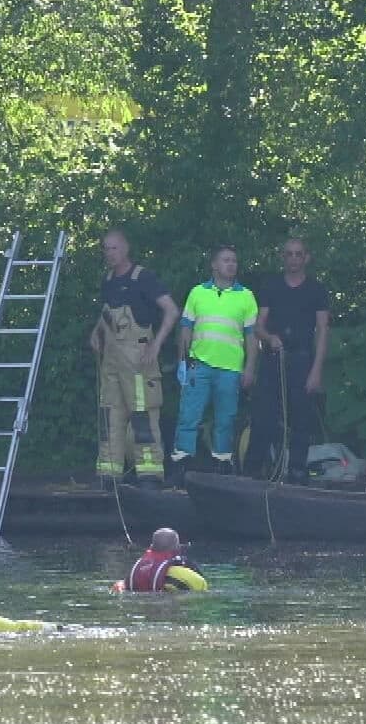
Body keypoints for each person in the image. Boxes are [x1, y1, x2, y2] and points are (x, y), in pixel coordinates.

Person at [88, 229, 179, 490]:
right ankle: (109, 474)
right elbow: (107, 313)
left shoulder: (143, 278)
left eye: (114, 248)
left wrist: (156, 344)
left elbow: (172, 311)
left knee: (142, 416)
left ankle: (149, 475)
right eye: (105, 249)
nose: (109, 254)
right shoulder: (108, 281)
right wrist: (96, 333)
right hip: (112, 360)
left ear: (126, 248)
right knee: (110, 415)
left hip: (138, 358)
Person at [247, 237, 331, 483]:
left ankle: (296, 470)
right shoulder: (271, 286)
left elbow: (323, 329)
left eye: (298, 254)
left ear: (307, 258)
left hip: (302, 359)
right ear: (283, 258)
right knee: (264, 416)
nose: (294, 259)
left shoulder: (316, 290)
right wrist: (269, 337)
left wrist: (316, 371)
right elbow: (258, 326)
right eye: (289, 254)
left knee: (302, 418)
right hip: (274, 357)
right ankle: (254, 469)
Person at [172, 245, 258, 475]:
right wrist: (183, 362)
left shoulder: (246, 297)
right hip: (199, 365)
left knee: (226, 419)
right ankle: (182, 464)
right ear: (214, 265)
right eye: (226, 260)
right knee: (189, 415)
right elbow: (186, 330)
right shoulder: (197, 293)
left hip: (230, 369)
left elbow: (251, 336)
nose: (231, 265)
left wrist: (249, 368)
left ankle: (222, 463)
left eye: (234, 261)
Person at [116, 528, 208, 593]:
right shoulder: (183, 575)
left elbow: (121, 586)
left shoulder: (135, 573)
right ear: (177, 550)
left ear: (151, 547)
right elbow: (202, 586)